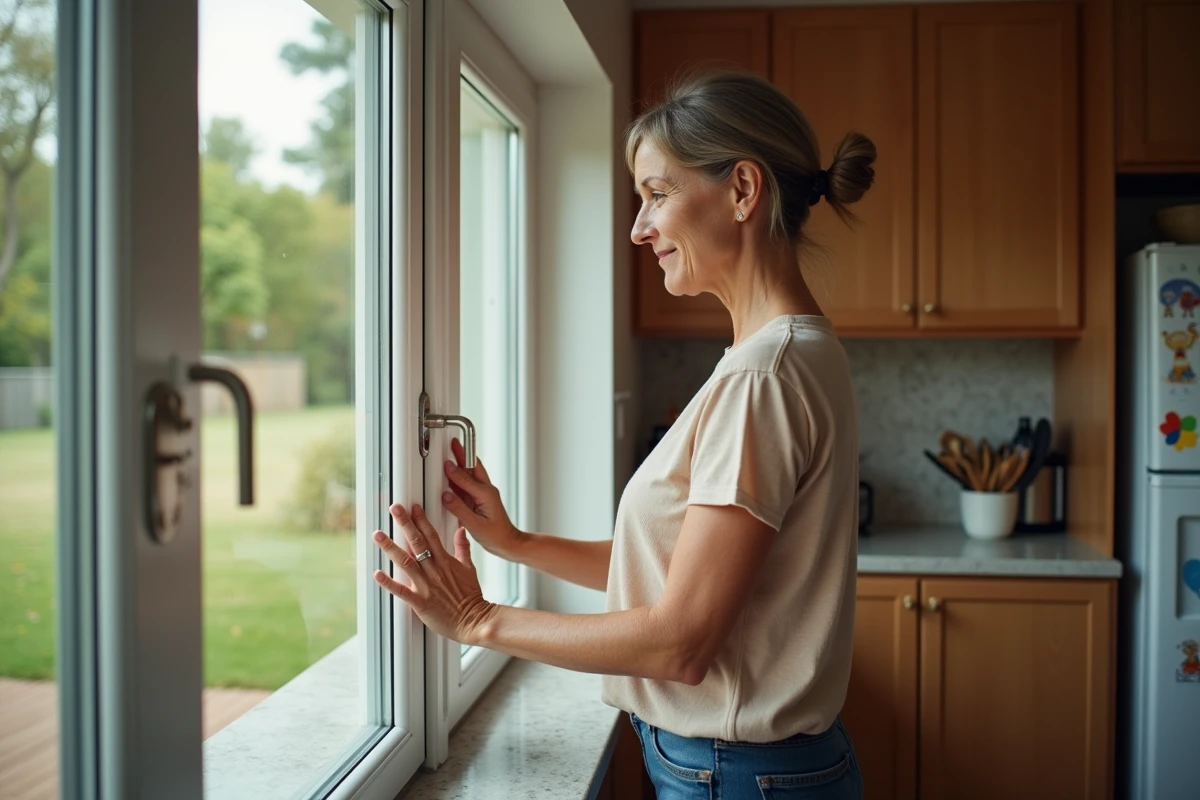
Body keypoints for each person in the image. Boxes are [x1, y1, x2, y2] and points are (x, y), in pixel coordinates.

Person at [370, 69, 873, 799]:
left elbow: (681, 642)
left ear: (742, 190)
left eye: (657, 194)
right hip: (751, 771)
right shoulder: (789, 354)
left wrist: (478, 620)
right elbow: (679, 567)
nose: (639, 228)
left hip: (738, 776)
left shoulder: (762, 377)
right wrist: (517, 543)